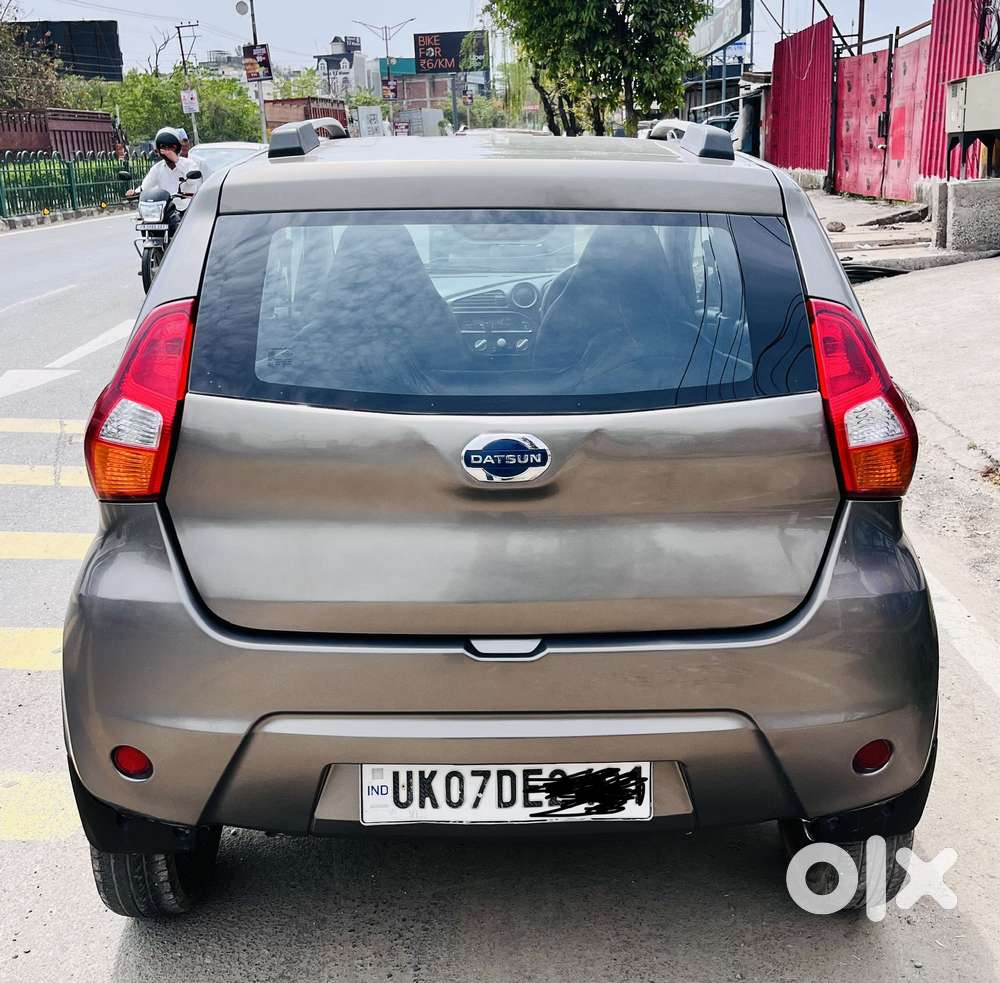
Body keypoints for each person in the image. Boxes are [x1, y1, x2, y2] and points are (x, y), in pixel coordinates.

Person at [128, 128, 199, 238]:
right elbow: (146, 186)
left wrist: (177, 161)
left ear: (177, 148)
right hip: (164, 209)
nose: (167, 151)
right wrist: (135, 192)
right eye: (163, 148)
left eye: (170, 147)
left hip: (186, 208)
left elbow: (194, 181)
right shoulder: (157, 168)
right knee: (146, 223)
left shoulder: (189, 164)